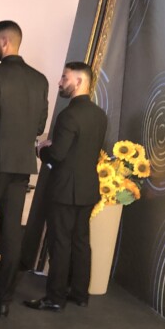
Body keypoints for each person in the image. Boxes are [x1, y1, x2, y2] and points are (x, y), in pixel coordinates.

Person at [24, 62, 107, 312]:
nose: (60, 82)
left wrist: (42, 150)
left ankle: (55, 297)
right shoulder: (100, 115)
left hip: (64, 190)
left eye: (64, 78)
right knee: (81, 241)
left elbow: (58, 155)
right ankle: (80, 294)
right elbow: (82, 151)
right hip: (88, 188)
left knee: (60, 242)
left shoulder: (68, 115)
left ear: (79, 82)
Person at [0, 20, 49, 317]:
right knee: (12, 234)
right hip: (21, 165)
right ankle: (4, 299)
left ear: (4, 42)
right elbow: (39, 126)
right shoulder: (40, 80)